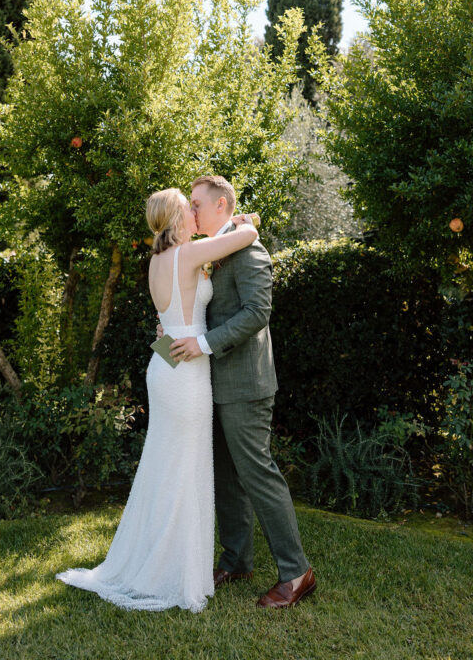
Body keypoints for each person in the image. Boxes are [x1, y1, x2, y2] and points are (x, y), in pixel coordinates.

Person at [55, 187, 258, 613]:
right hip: (186, 377)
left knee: (166, 468)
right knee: (186, 470)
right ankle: (177, 575)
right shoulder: (187, 255)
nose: (195, 217)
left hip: (165, 368)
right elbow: (245, 238)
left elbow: (167, 327)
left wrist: (175, 346)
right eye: (190, 210)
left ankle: (160, 562)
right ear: (177, 219)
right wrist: (244, 222)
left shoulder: (156, 262)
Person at [168, 175, 315, 609]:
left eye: (196, 204)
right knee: (227, 477)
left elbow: (257, 311)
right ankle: (236, 559)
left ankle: (296, 572)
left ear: (222, 205)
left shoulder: (249, 249)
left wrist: (203, 343)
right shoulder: (216, 248)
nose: (190, 212)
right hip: (212, 383)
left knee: (258, 474)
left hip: (246, 385)